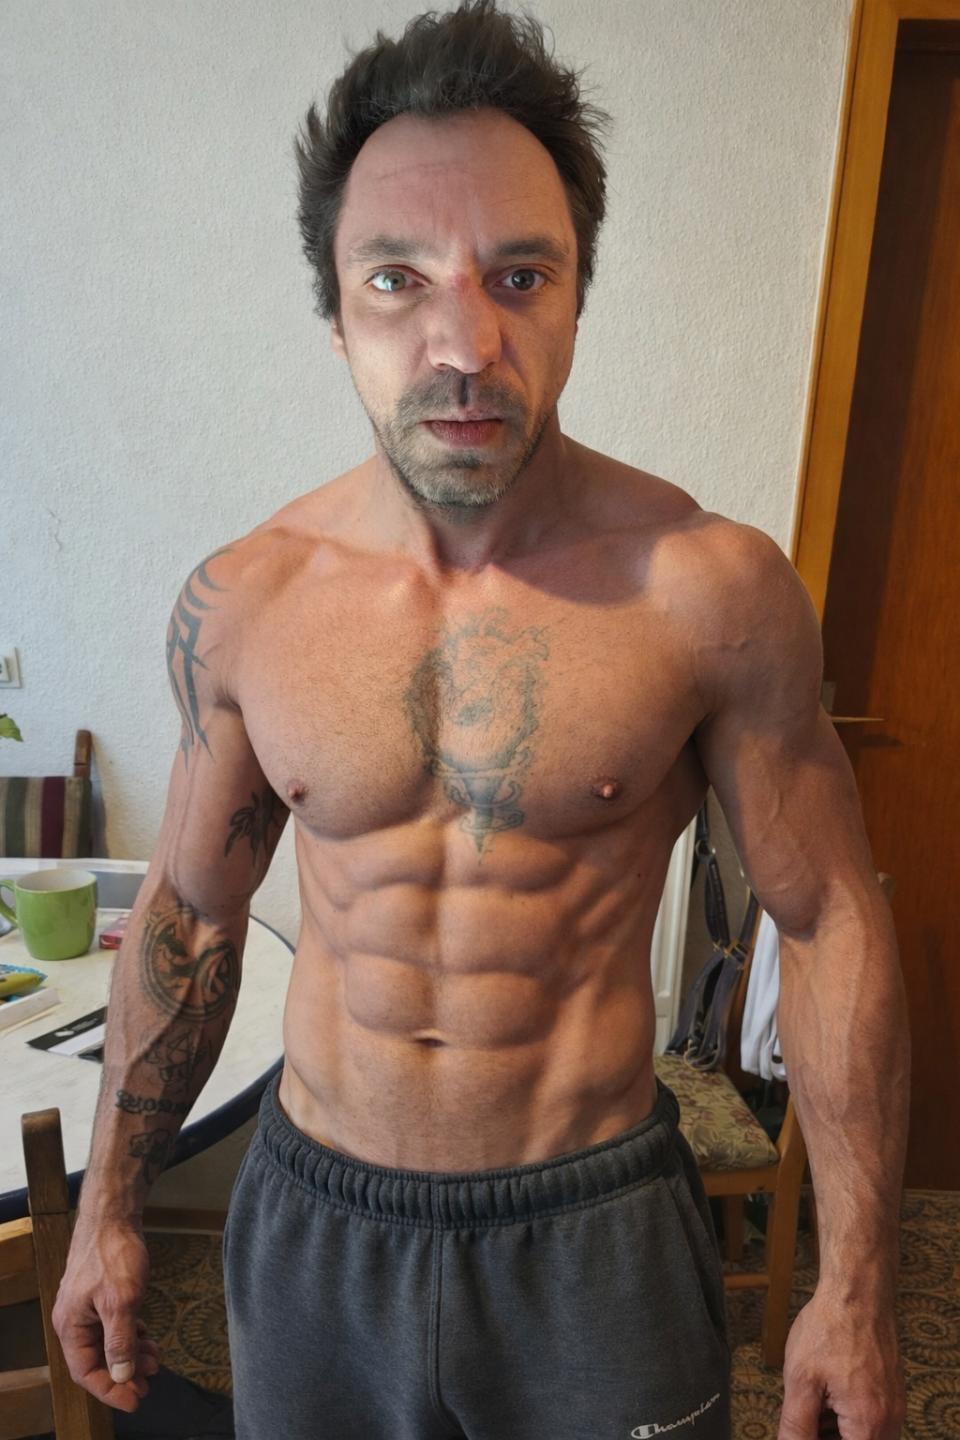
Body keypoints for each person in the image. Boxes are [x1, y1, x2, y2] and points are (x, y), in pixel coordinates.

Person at [52, 2, 910, 1437]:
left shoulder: (708, 590)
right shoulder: (248, 603)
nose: (464, 342)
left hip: (595, 1233)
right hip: (320, 1223)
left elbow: (827, 921)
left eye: (519, 274)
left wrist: (860, 1282)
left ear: (579, 292)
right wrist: (107, 1211)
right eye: (398, 279)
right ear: (336, 311)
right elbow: (189, 918)